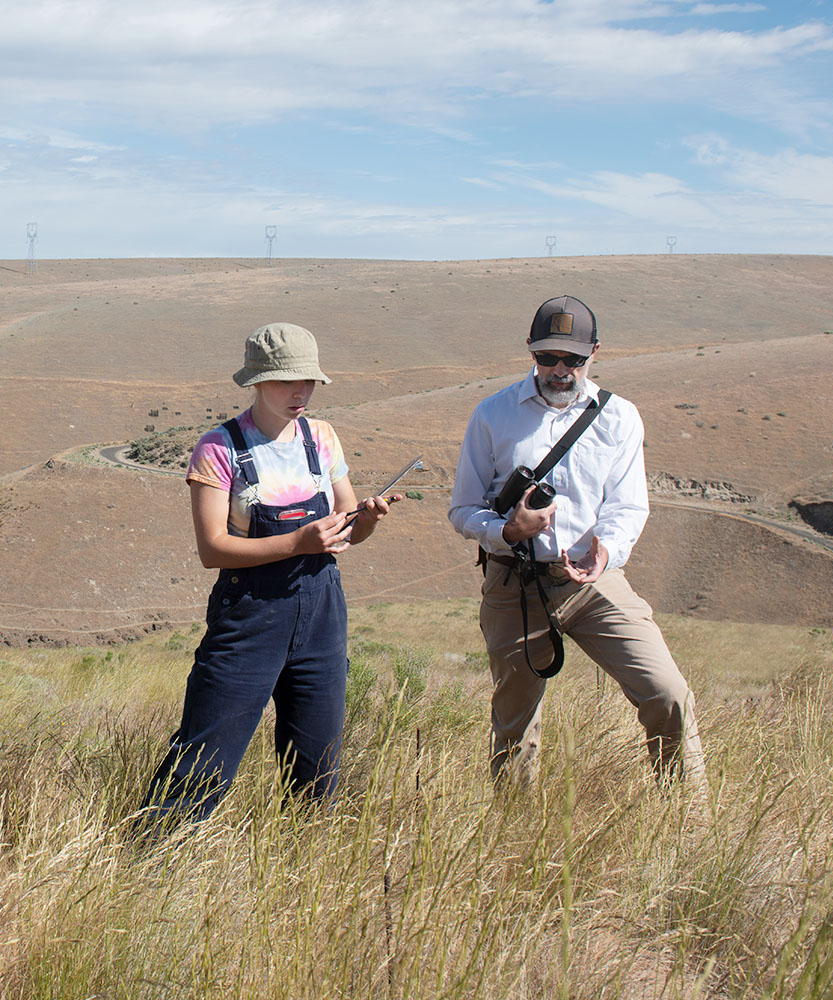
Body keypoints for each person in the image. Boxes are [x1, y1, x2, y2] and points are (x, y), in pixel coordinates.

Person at [140, 322, 397, 828]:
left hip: (322, 612)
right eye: (286, 381)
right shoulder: (218, 448)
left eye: (309, 382)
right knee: (204, 758)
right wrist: (298, 543)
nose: (300, 393)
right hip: (250, 615)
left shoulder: (321, 438)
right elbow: (213, 549)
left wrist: (364, 521)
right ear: (256, 382)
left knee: (317, 765)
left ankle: (302, 873)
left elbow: (346, 529)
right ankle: (152, 863)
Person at [449, 295, 704, 786]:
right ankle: (513, 840)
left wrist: (606, 549)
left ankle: (688, 828)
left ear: (595, 353)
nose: (560, 369)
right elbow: (463, 508)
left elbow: (628, 506)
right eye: (548, 357)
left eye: (573, 359)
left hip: (593, 582)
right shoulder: (492, 415)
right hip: (513, 585)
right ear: (530, 351)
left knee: (668, 692)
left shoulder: (620, 417)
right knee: (514, 726)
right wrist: (506, 531)